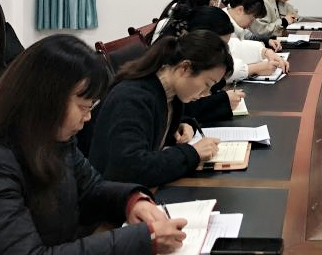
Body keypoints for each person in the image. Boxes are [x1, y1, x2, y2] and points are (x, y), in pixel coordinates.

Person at [0, 34, 187, 254]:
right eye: (83, 107)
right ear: (47, 99)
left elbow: (90, 189)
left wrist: (131, 201)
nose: (88, 117)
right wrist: (142, 240)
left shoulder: (50, 136)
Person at [89, 30, 232, 187]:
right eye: (207, 84)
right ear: (185, 68)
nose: (206, 93)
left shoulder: (170, 95)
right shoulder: (132, 98)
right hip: (110, 195)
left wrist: (180, 125)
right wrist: (193, 153)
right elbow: (130, 167)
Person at [224, 0, 289, 74]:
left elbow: (249, 36)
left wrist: (267, 42)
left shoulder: (234, 20)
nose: (251, 23)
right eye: (252, 19)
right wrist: (257, 68)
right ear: (240, 10)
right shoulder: (221, 24)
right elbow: (229, 57)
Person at [152, 0, 222, 43]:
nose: (215, 6)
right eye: (214, 1)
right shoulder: (177, 24)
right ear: (202, 0)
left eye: (217, 1)